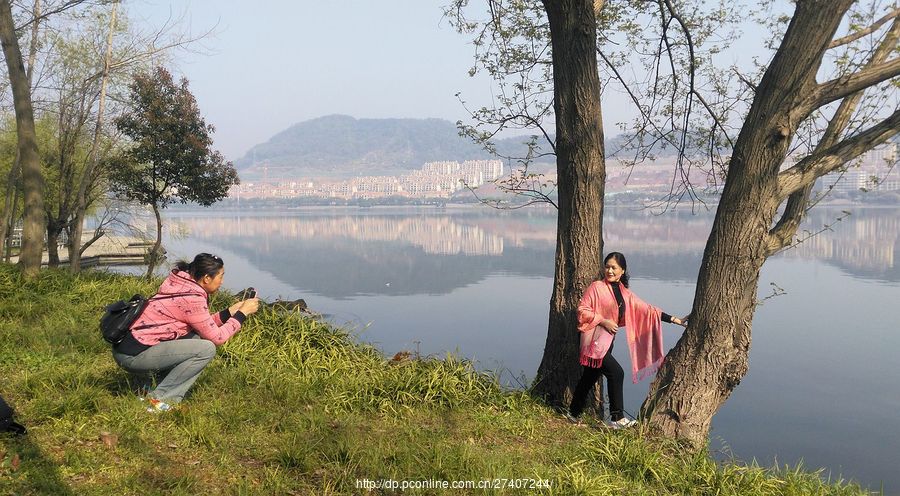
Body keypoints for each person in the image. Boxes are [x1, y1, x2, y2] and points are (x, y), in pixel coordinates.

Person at [112, 253, 259, 412]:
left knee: (195, 337)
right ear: (206, 278)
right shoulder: (192, 298)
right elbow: (218, 337)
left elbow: (202, 324)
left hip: (127, 347)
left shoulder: (182, 284)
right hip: (133, 356)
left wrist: (230, 312)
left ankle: (151, 386)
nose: (222, 282)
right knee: (206, 349)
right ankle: (158, 400)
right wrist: (242, 314)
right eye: (220, 276)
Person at [568, 252, 687, 429]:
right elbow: (582, 310)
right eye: (607, 266)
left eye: (613, 267)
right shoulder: (596, 287)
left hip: (606, 342)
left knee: (589, 377)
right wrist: (603, 320)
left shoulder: (625, 294)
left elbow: (648, 310)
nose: (609, 270)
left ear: (622, 270)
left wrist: (675, 319)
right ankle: (617, 418)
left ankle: (572, 413)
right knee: (616, 373)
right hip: (592, 342)